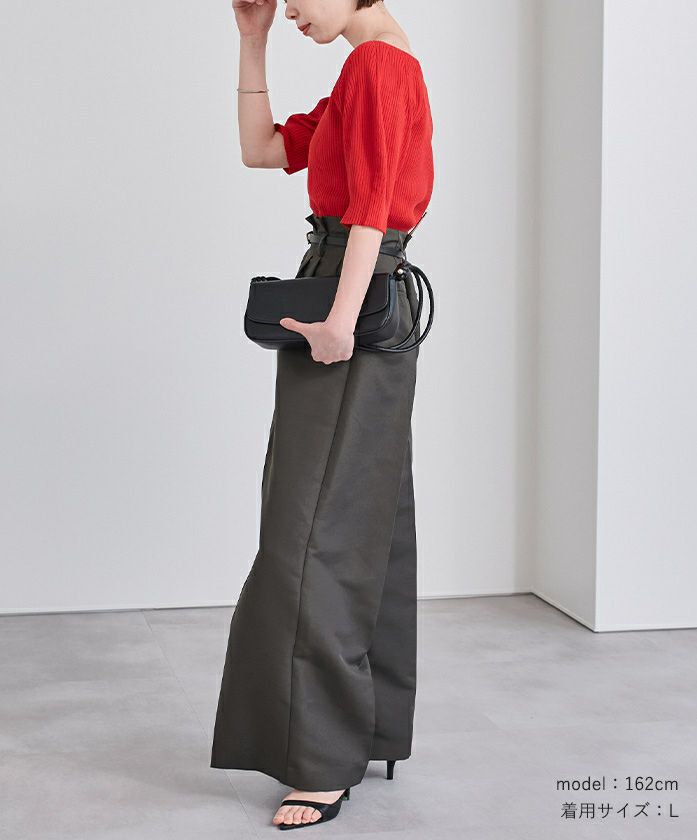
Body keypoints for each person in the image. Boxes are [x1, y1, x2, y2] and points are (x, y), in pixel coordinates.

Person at [210, 0, 434, 830]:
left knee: (311, 532)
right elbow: (261, 149)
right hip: (353, 291)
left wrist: (339, 322)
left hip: (353, 298)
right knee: (363, 521)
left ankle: (321, 762)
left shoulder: (379, 64)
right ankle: (363, 731)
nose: (291, 7)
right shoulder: (366, 69)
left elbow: (371, 207)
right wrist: (252, 42)